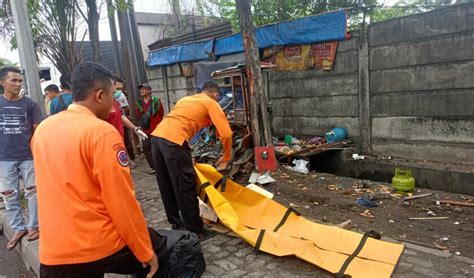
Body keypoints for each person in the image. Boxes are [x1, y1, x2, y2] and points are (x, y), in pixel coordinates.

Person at [31, 62, 169, 277]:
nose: (114, 104)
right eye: (113, 96)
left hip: (54, 250)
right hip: (96, 244)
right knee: (163, 251)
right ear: (99, 96)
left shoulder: (43, 130)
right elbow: (121, 200)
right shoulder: (101, 132)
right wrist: (144, 251)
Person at [150, 80, 233, 236]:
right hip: (174, 141)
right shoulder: (210, 102)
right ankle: (195, 230)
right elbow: (227, 134)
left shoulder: (187, 99)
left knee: (166, 184)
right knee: (185, 185)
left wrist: (187, 154)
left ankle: (176, 222)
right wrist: (226, 157)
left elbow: (183, 123)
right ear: (215, 95)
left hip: (157, 138)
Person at [0, 66, 43, 249]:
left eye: (20, 81)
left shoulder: (31, 104)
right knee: (9, 195)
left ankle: (33, 226)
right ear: (3, 82)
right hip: (4, 158)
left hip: (28, 157)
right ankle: (18, 228)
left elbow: (38, 131)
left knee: (33, 194)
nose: (18, 84)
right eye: (14, 80)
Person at [135, 83, 164, 174]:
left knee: (156, 148)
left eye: (144, 89)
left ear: (149, 91)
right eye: (141, 89)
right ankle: (154, 166)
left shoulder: (156, 102)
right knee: (146, 147)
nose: (141, 91)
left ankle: (160, 166)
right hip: (145, 130)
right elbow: (139, 116)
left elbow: (161, 114)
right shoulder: (139, 103)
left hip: (156, 129)